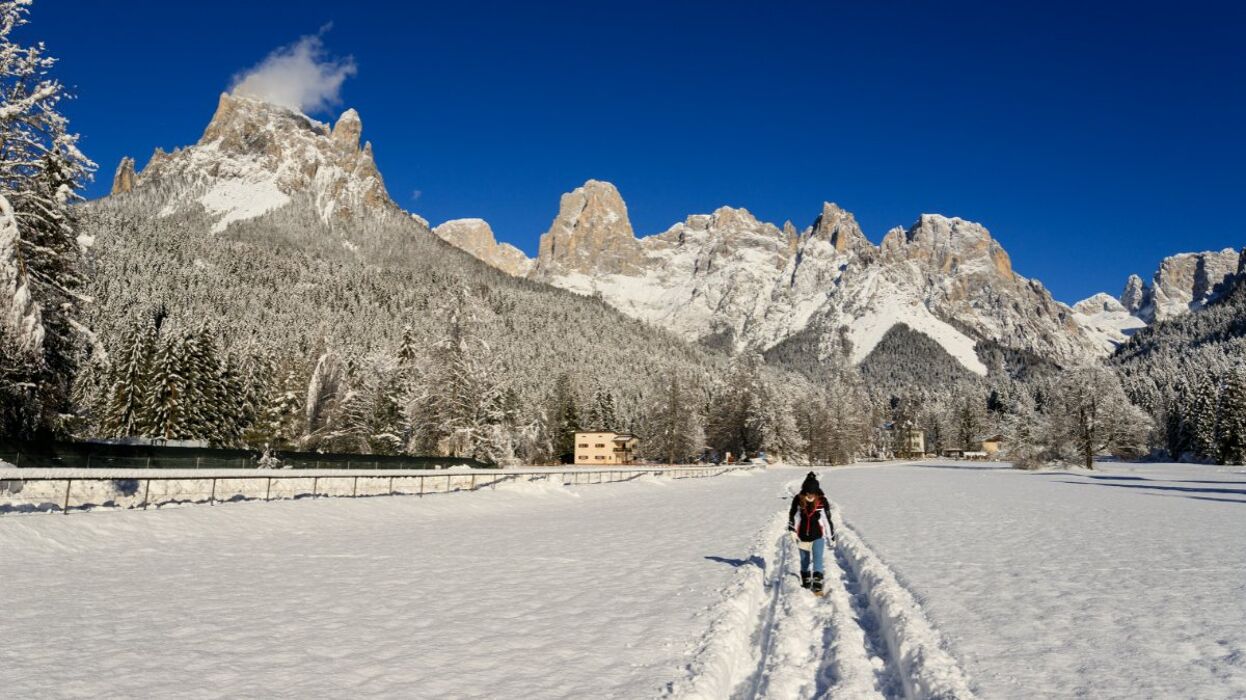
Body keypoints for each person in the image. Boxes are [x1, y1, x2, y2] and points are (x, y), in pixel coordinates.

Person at [788, 471, 834, 594]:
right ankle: (806, 578)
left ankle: (818, 582)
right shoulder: (798, 500)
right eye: (807, 493)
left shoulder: (822, 501)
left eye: (812, 493)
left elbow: (826, 519)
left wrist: (831, 536)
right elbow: (793, 515)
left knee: (818, 558)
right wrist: (792, 530)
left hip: (818, 535)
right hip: (802, 535)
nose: (810, 496)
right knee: (804, 560)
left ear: (816, 492)